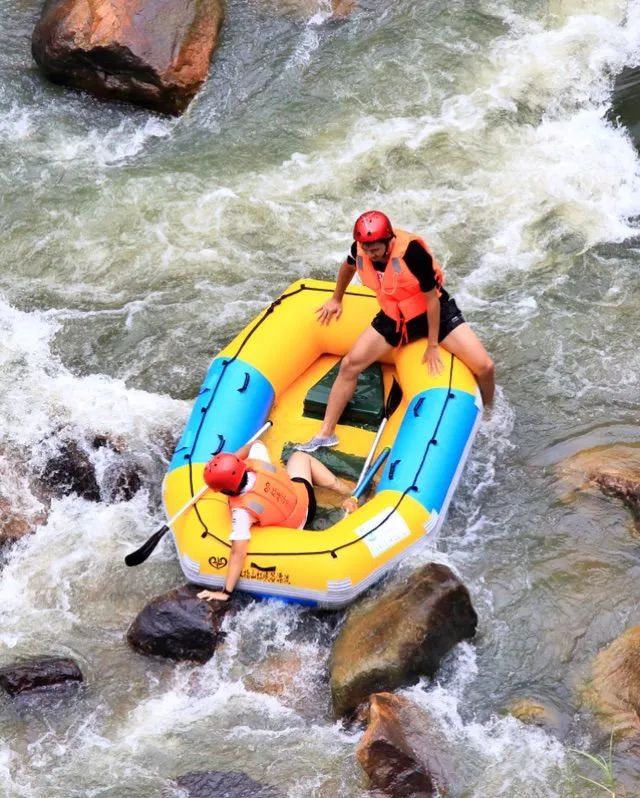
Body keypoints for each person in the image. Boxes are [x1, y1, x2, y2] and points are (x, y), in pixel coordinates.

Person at [295, 210, 495, 452]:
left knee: (485, 366)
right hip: (395, 317)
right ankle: (326, 433)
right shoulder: (360, 250)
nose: (370, 254)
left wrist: (433, 345)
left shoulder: (412, 253)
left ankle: (488, 416)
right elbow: (348, 267)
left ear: (388, 240)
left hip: (433, 313)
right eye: (366, 249)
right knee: (349, 365)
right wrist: (336, 298)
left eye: (375, 249)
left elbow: (432, 300)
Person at [197, 439, 355, 603]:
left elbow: (238, 552)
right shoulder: (258, 461)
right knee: (299, 457)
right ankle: (346, 491)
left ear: (225, 490)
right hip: (304, 497)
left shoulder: (242, 512)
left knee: (298, 460)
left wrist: (226, 592)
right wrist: (231, 462)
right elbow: (257, 443)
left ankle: (344, 492)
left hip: (297, 524)